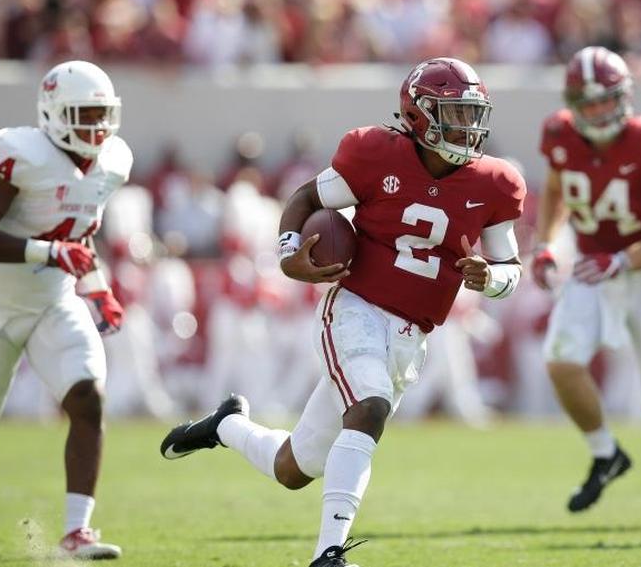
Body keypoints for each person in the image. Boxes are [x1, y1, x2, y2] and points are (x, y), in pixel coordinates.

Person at [160, 57, 526, 567]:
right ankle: (328, 553)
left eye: (471, 114)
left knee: (294, 468)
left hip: (410, 336)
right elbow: (307, 196)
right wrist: (289, 253)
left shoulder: (495, 182)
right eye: (453, 114)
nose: (466, 127)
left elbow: (511, 266)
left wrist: (492, 278)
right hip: (354, 308)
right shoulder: (376, 153)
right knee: (370, 404)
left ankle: (225, 426)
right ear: (418, 115)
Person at [0, 60, 131, 559]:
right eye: (83, 114)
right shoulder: (22, 153)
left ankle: (76, 531)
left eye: (102, 114)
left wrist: (98, 288)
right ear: (53, 113)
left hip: (53, 302)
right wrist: (46, 253)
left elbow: (80, 234)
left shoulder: (112, 161)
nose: (96, 127)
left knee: (89, 397)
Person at [530, 46, 641, 526]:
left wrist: (623, 258)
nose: (597, 111)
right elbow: (556, 192)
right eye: (587, 102)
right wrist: (545, 244)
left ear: (623, 98)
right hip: (591, 266)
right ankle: (606, 453)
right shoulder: (560, 134)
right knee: (561, 361)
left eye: (605, 100)